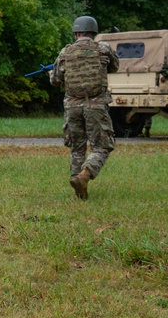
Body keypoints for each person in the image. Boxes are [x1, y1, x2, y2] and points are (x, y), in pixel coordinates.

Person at [50, 15, 119, 199]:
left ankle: (78, 190)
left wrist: (51, 72)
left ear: (77, 33)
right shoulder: (103, 49)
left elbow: (56, 80)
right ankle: (85, 175)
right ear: (93, 33)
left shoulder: (65, 52)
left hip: (72, 105)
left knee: (77, 147)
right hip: (95, 104)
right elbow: (114, 68)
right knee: (103, 146)